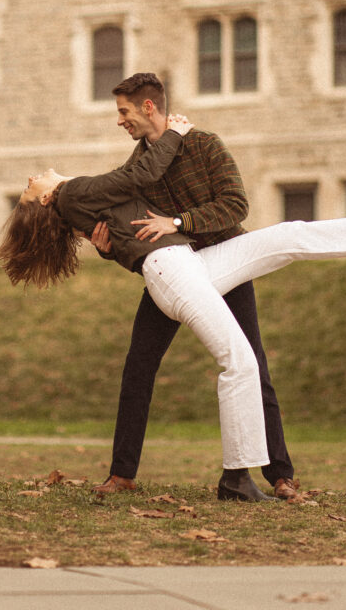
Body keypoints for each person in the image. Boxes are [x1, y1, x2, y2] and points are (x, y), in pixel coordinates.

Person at [0, 116, 346, 502]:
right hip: (173, 269)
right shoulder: (75, 192)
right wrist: (177, 132)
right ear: (46, 201)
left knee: (286, 237)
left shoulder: (85, 199)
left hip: (194, 262)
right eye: (27, 189)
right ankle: (235, 479)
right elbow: (134, 177)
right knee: (238, 362)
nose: (30, 178)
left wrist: (110, 247)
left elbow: (131, 213)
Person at [92, 72, 296, 504]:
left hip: (228, 262)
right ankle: (122, 474)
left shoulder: (203, 144)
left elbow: (236, 204)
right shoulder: (137, 168)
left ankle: (281, 476)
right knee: (138, 368)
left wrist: (179, 223)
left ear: (149, 107)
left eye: (124, 112)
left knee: (253, 365)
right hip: (174, 272)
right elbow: (132, 230)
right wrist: (107, 248)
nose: (119, 121)